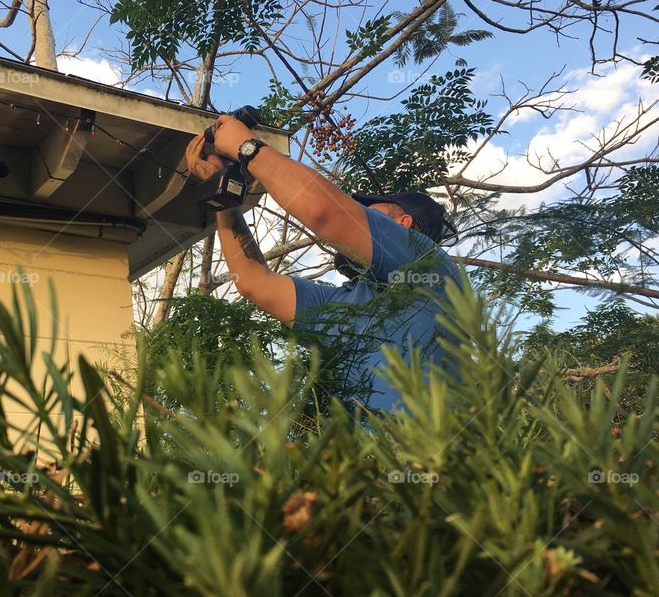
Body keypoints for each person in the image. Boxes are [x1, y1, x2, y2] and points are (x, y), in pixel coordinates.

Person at [184, 114, 463, 412]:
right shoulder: (344, 304)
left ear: (403, 224)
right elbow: (255, 283)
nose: (358, 215)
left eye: (370, 211)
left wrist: (246, 147)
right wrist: (221, 189)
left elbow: (324, 211)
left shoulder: (429, 268)